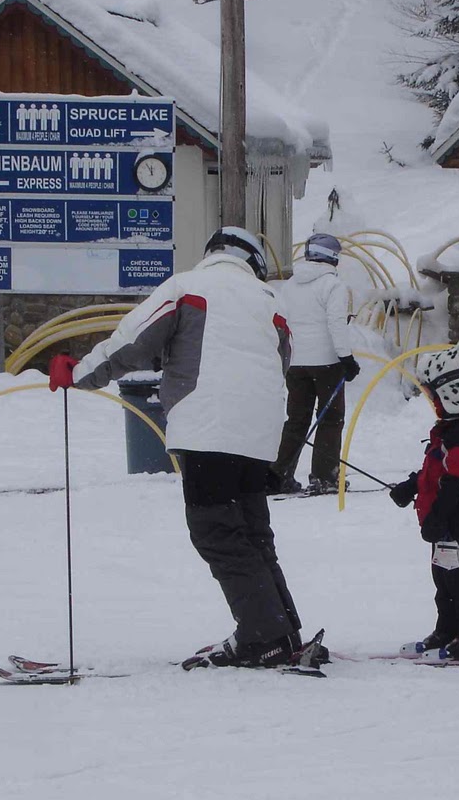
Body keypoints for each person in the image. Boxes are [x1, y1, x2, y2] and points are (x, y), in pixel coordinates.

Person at [48, 226, 311, 669]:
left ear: (211, 253)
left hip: (208, 428)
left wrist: (79, 373)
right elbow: (281, 360)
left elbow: (134, 341)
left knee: (218, 532)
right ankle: (280, 631)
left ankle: (263, 636)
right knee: (251, 533)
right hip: (260, 433)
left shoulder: (188, 287)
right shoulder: (270, 303)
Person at [389, 342, 459, 660]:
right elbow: (434, 471)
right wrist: (409, 487)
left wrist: (438, 516)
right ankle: (450, 628)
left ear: (456, 394)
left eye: (434, 395)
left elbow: (457, 481)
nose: (432, 402)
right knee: (445, 581)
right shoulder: (449, 431)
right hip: (444, 524)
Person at [272, 233, 361, 495]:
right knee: (331, 419)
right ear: (333, 258)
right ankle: (324, 476)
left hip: (296, 362)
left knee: (296, 420)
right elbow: (336, 323)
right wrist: (346, 358)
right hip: (327, 363)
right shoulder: (333, 286)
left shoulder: (289, 285)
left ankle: (278, 474)